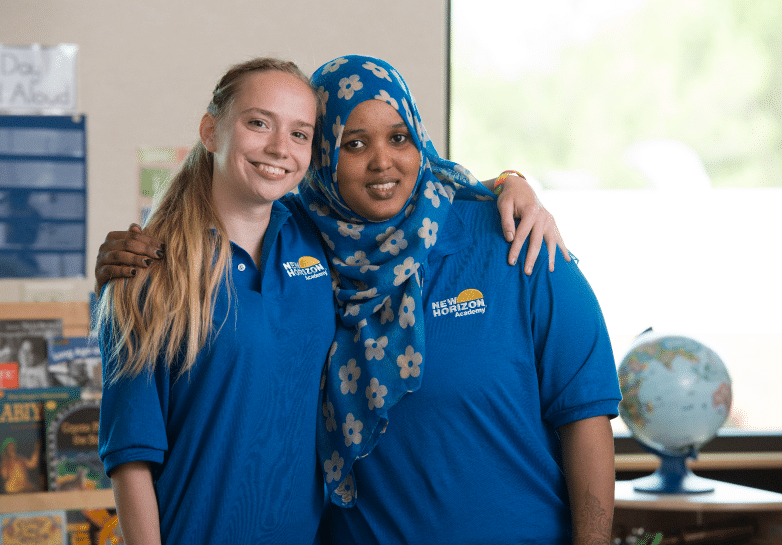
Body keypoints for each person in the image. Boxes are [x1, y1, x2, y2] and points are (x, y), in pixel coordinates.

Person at [298, 55, 621, 545]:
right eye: (354, 143)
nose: (382, 161)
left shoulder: (516, 238)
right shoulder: (298, 254)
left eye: (399, 137)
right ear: (321, 156)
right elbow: (223, 210)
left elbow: (586, 416)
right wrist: (143, 248)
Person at [95, 58, 337, 544]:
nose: (278, 148)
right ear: (211, 130)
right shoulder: (147, 269)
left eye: (299, 134)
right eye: (258, 122)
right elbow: (130, 457)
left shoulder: (319, 236)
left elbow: (411, 198)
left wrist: (508, 185)